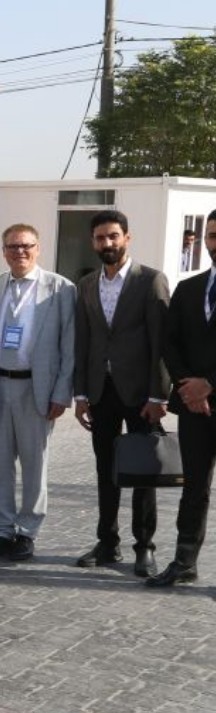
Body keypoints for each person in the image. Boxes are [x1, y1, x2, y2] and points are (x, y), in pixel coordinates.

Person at [72, 210, 170, 577]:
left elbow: (161, 342)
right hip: (101, 391)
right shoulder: (86, 284)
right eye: (100, 238)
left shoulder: (151, 281)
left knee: (143, 472)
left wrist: (159, 396)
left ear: (127, 237)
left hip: (141, 395)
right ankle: (107, 542)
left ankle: (144, 546)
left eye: (113, 236)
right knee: (106, 469)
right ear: (93, 242)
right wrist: (80, 394)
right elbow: (83, 342)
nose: (107, 243)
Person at [0, 225, 75, 562]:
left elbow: (69, 344)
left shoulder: (61, 288)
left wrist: (62, 392)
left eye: (26, 245)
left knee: (35, 464)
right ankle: (2, 530)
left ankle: (27, 531)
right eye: (12, 246)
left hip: (37, 387)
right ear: (3, 251)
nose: (19, 251)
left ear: (38, 248)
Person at [153, 209, 216, 587]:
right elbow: (170, 342)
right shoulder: (189, 288)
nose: (215, 243)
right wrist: (188, 387)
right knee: (194, 487)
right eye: (212, 236)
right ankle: (184, 561)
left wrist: (210, 384)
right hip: (193, 407)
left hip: (207, 393)